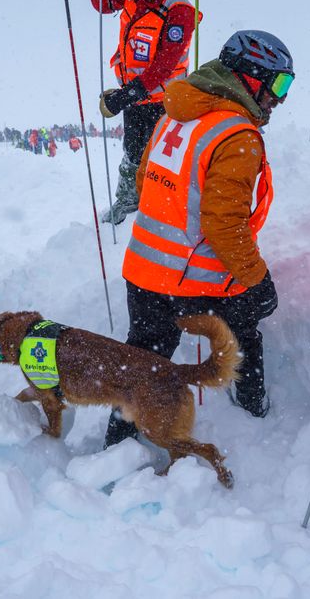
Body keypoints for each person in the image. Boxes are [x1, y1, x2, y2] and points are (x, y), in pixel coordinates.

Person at [106, 30, 294, 446]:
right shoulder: (236, 135)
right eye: (279, 84)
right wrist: (257, 281)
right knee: (245, 325)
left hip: (143, 271)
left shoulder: (173, 115)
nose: (280, 98)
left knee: (143, 362)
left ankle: (117, 442)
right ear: (252, 77)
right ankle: (251, 408)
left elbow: (143, 182)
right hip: (190, 282)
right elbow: (225, 226)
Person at [90, 0, 200, 225]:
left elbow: (163, 66)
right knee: (133, 151)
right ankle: (128, 202)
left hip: (165, 101)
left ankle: (161, 211)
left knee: (162, 157)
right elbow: (104, 3)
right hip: (135, 97)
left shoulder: (179, 11)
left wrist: (127, 95)